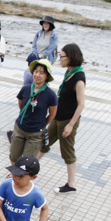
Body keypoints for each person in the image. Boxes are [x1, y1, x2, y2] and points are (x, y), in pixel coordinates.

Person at [37, 43, 86, 194]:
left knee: (67, 151)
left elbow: (81, 104)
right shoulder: (69, 73)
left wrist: (71, 125)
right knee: (43, 142)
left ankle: (71, 184)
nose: (60, 59)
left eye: (62, 56)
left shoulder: (78, 78)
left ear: (71, 57)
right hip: (58, 118)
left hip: (67, 121)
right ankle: (29, 168)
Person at [9, 59, 58, 164]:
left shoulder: (50, 94)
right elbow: (21, 104)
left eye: (41, 72)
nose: (37, 75)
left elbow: (52, 114)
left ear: (47, 76)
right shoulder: (26, 89)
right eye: (36, 71)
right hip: (20, 128)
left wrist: (42, 124)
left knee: (27, 162)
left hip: (35, 134)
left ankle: (23, 179)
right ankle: (14, 175)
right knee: (14, 157)